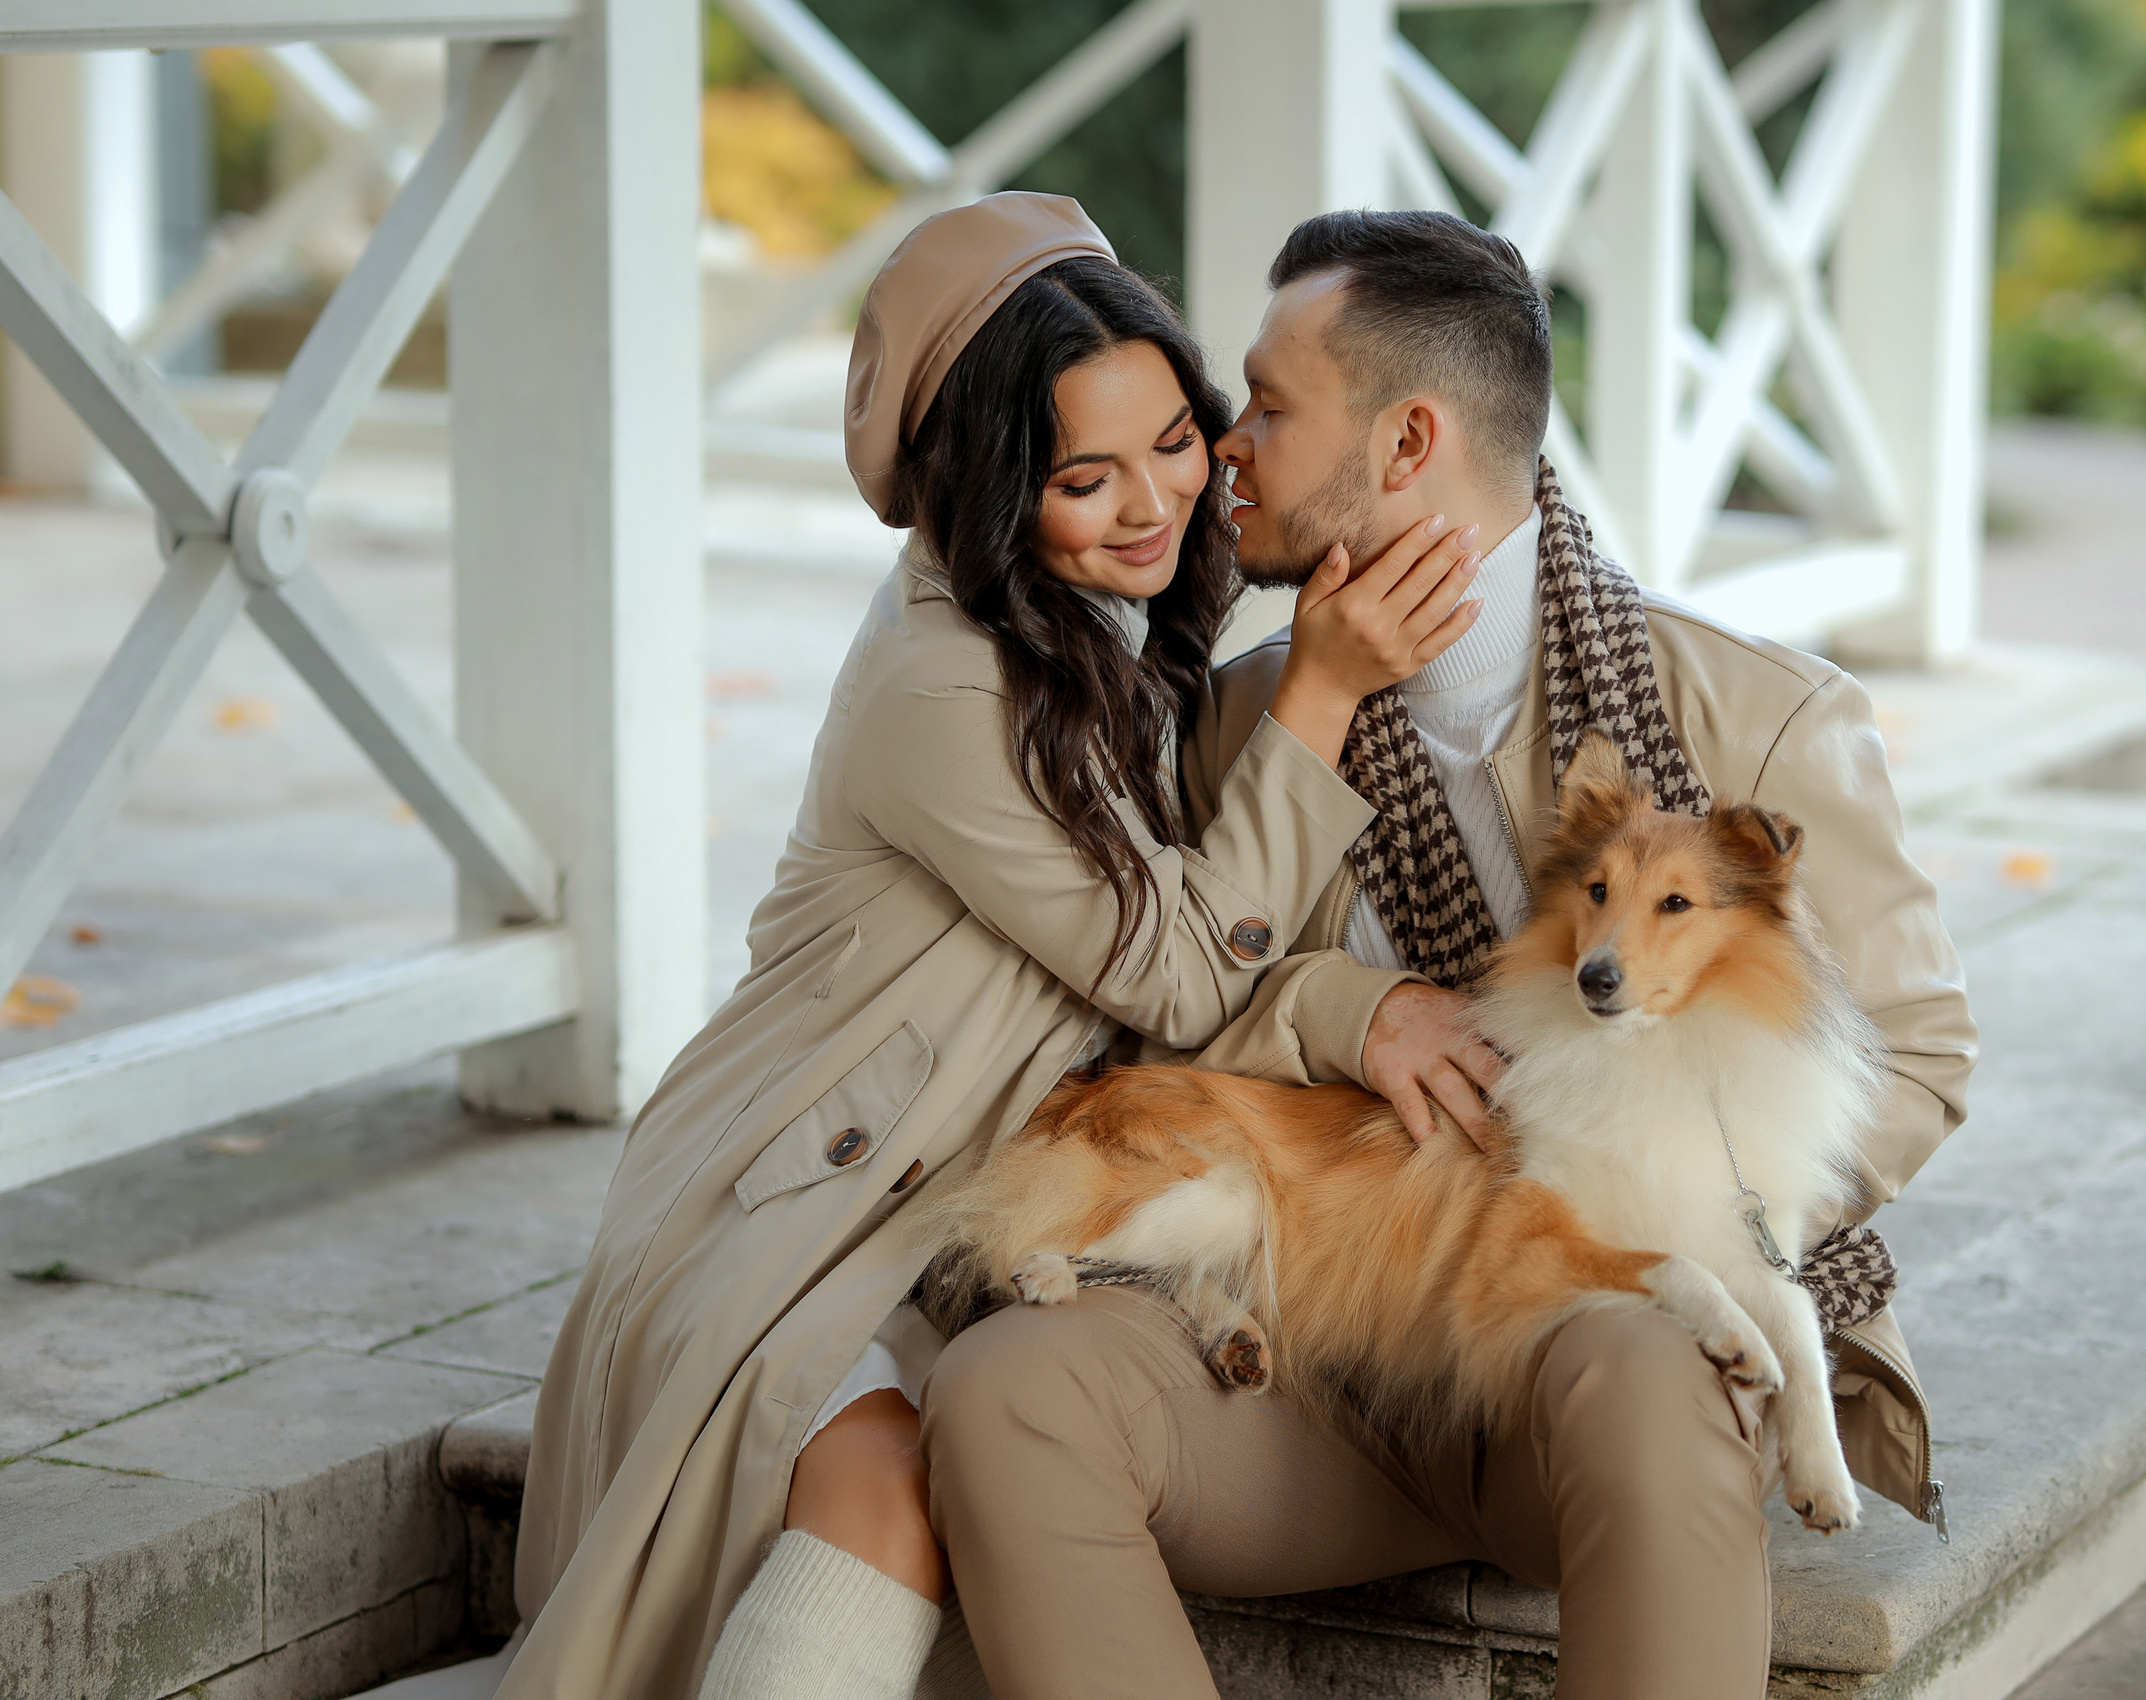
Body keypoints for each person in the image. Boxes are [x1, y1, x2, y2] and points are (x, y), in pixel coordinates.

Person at [918, 210, 1979, 1700]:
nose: (1225, 450)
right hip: (1316, 1354)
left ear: (1408, 443)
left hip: (1589, 1351)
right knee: (1005, 1389)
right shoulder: (1239, 716)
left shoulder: (1765, 718)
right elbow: (1165, 998)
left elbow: (1924, 1058)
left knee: (1646, 1363)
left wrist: (1644, 1189)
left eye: (1271, 409)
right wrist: (1352, 1011)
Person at [496, 194, 1488, 1700]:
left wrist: (1359, 1008)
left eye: (1174, 440)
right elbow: (1173, 970)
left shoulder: (1112, 631)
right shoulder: (943, 687)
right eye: (1088, 477)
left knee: (981, 1455)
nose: (1157, 502)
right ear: (993, 490)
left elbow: (1182, 971)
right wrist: (1324, 694)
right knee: (891, 1485)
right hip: (797, 1216)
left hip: (959, 1213)